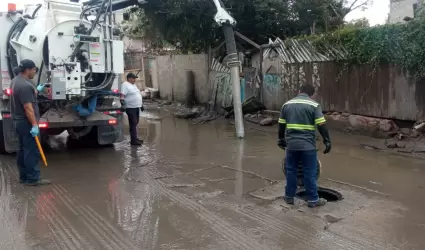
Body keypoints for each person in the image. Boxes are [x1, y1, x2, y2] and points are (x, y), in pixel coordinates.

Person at [278, 83, 331, 208]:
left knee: (291, 170)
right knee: (309, 172)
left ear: (299, 91)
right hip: (308, 146)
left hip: (291, 145)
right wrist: (327, 140)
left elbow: (281, 124)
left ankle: (289, 197)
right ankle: (313, 200)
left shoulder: (286, 105)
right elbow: (321, 125)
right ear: (312, 94)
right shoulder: (314, 105)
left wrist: (280, 139)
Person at [11, 59, 50, 186]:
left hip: (18, 122)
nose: (35, 72)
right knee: (31, 151)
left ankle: (24, 177)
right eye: (34, 69)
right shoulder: (25, 86)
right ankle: (33, 179)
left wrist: (37, 90)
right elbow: (28, 108)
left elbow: (25, 96)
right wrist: (34, 125)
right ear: (27, 70)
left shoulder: (16, 81)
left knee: (22, 150)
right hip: (27, 123)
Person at [121, 73, 144, 146]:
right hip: (130, 107)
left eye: (135, 78)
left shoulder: (133, 85)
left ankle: (135, 138)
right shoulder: (125, 85)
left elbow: (137, 95)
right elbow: (122, 95)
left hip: (136, 107)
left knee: (136, 122)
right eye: (133, 78)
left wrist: (141, 105)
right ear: (129, 78)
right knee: (133, 123)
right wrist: (123, 104)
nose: (135, 80)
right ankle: (133, 141)